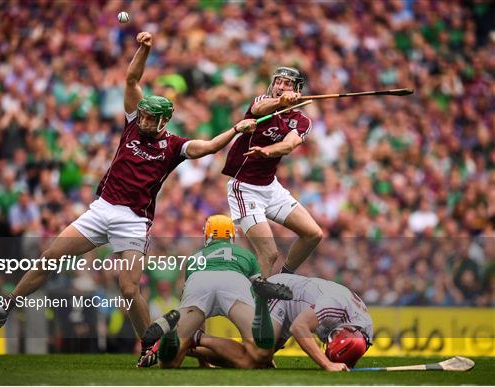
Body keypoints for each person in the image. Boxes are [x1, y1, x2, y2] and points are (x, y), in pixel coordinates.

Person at [0, 32, 257, 363]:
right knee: (51, 257)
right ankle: (6, 306)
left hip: (134, 221)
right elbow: (132, 78)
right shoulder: (132, 125)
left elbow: (207, 147)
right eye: (143, 115)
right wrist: (144, 48)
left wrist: (235, 130)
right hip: (101, 209)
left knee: (129, 289)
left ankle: (151, 348)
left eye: (151, 117)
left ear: (164, 120)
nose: (144, 119)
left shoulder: (174, 146)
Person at [138, 214, 292, 368]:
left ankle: (178, 337)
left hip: (199, 280)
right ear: (232, 235)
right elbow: (258, 292)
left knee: (169, 364)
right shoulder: (246, 254)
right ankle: (198, 339)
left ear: (207, 235)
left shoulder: (194, 257)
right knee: (259, 355)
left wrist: (203, 362)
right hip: (234, 281)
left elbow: (199, 321)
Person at [222, 67, 323, 277]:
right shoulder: (263, 102)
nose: (280, 86)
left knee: (313, 234)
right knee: (269, 254)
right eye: (278, 82)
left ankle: (285, 277)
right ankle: (259, 307)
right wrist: (280, 102)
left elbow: (288, 146)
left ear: (297, 89)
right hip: (245, 188)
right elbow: (258, 109)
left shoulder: (302, 121)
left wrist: (266, 151)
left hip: (271, 188)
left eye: (286, 83)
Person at [192, 273, 373, 371]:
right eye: (333, 337)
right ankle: (195, 338)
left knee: (256, 363)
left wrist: (343, 363)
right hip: (282, 295)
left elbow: (350, 350)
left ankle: (186, 346)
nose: (330, 338)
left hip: (296, 306)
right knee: (255, 358)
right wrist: (327, 364)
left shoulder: (364, 332)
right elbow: (299, 327)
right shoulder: (335, 304)